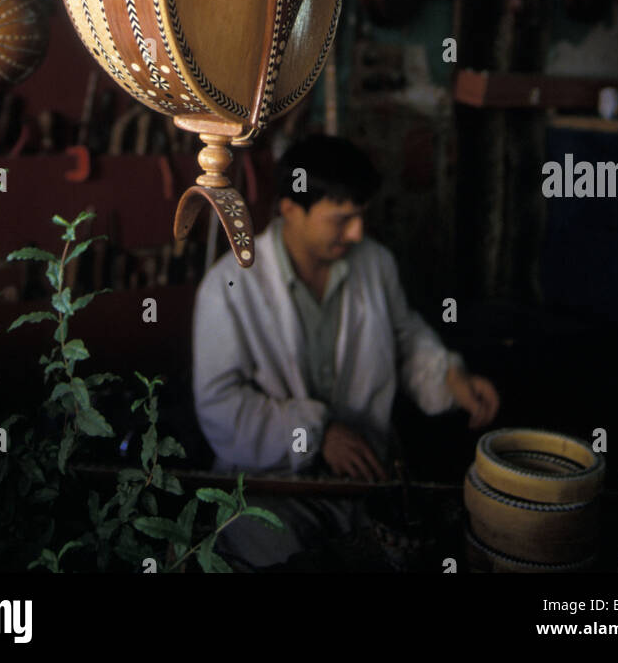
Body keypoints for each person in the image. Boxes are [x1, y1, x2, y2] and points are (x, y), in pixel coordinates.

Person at [192, 134, 500, 568]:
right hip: (270, 487)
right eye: (341, 219)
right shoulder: (229, 288)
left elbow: (404, 338)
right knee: (286, 560)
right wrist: (317, 433)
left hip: (366, 479)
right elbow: (220, 406)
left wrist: (451, 379)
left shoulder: (374, 264)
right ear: (290, 209)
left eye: (360, 217)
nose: (356, 233)